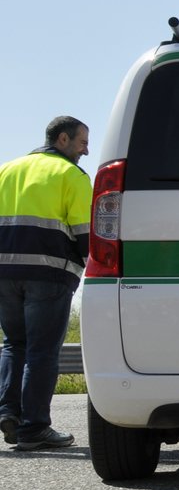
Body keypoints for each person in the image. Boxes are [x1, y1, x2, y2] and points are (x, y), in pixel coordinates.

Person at [0, 116, 91, 451]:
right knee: (41, 351)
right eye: (82, 142)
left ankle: (9, 412)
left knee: (14, 344)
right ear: (63, 139)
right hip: (48, 273)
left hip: (4, 275)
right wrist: (88, 267)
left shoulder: (7, 169)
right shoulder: (71, 175)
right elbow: (85, 233)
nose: (86, 150)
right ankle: (34, 427)